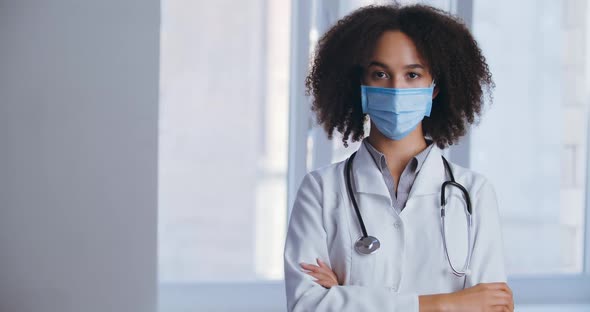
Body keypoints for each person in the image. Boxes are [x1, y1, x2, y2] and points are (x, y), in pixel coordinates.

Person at [283, 4, 514, 312]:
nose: (395, 87)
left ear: (434, 88)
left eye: (412, 74)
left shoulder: (474, 194)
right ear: (360, 86)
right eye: (380, 74)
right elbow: (307, 305)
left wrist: (345, 295)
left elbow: (491, 307)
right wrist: (447, 304)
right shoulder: (320, 191)